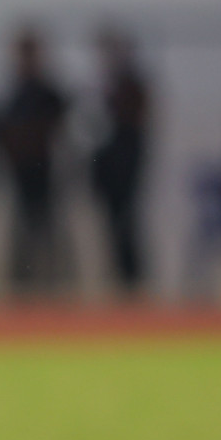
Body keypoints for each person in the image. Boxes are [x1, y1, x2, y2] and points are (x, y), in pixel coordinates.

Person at [0, 25, 67, 295]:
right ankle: (22, 286)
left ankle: (52, 283)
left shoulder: (48, 93)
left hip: (45, 171)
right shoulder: (14, 93)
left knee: (47, 228)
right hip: (20, 172)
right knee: (22, 230)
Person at [88, 26, 150, 295]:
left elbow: (135, 124)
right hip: (108, 169)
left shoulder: (132, 85)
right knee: (112, 228)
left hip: (126, 167)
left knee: (126, 226)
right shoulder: (102, 85)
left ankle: (132, 281)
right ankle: (120, 279)